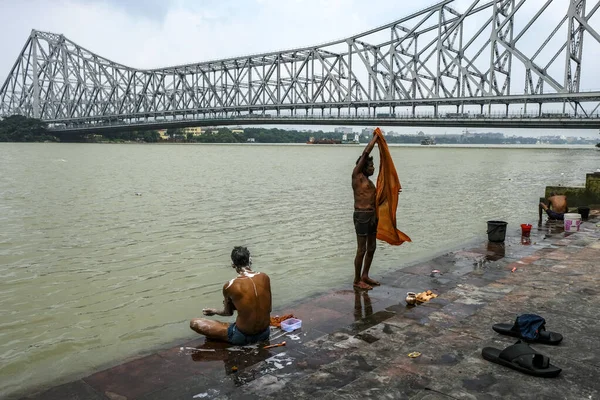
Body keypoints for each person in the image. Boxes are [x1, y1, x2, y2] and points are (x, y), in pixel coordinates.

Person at [190, 246, 272, 345]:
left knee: (194, 323)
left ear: (233, 265)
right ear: (250, 260)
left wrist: (214, 311)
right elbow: (268, 308)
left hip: (243, 336)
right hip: (265, 333)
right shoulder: (265, 277)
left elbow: (228, 313)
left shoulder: (230, 285)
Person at [352, 134, 383, 290]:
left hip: (372, 216)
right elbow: (365, 154)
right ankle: (357, 280)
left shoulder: (370, 183)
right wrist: (375, 140)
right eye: (370, 166)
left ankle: (365, 275)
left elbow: (377, 200)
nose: (373, 168)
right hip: (362, 216)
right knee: (362, 249)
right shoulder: (357, 177)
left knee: (372, 247)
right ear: (363, 167)